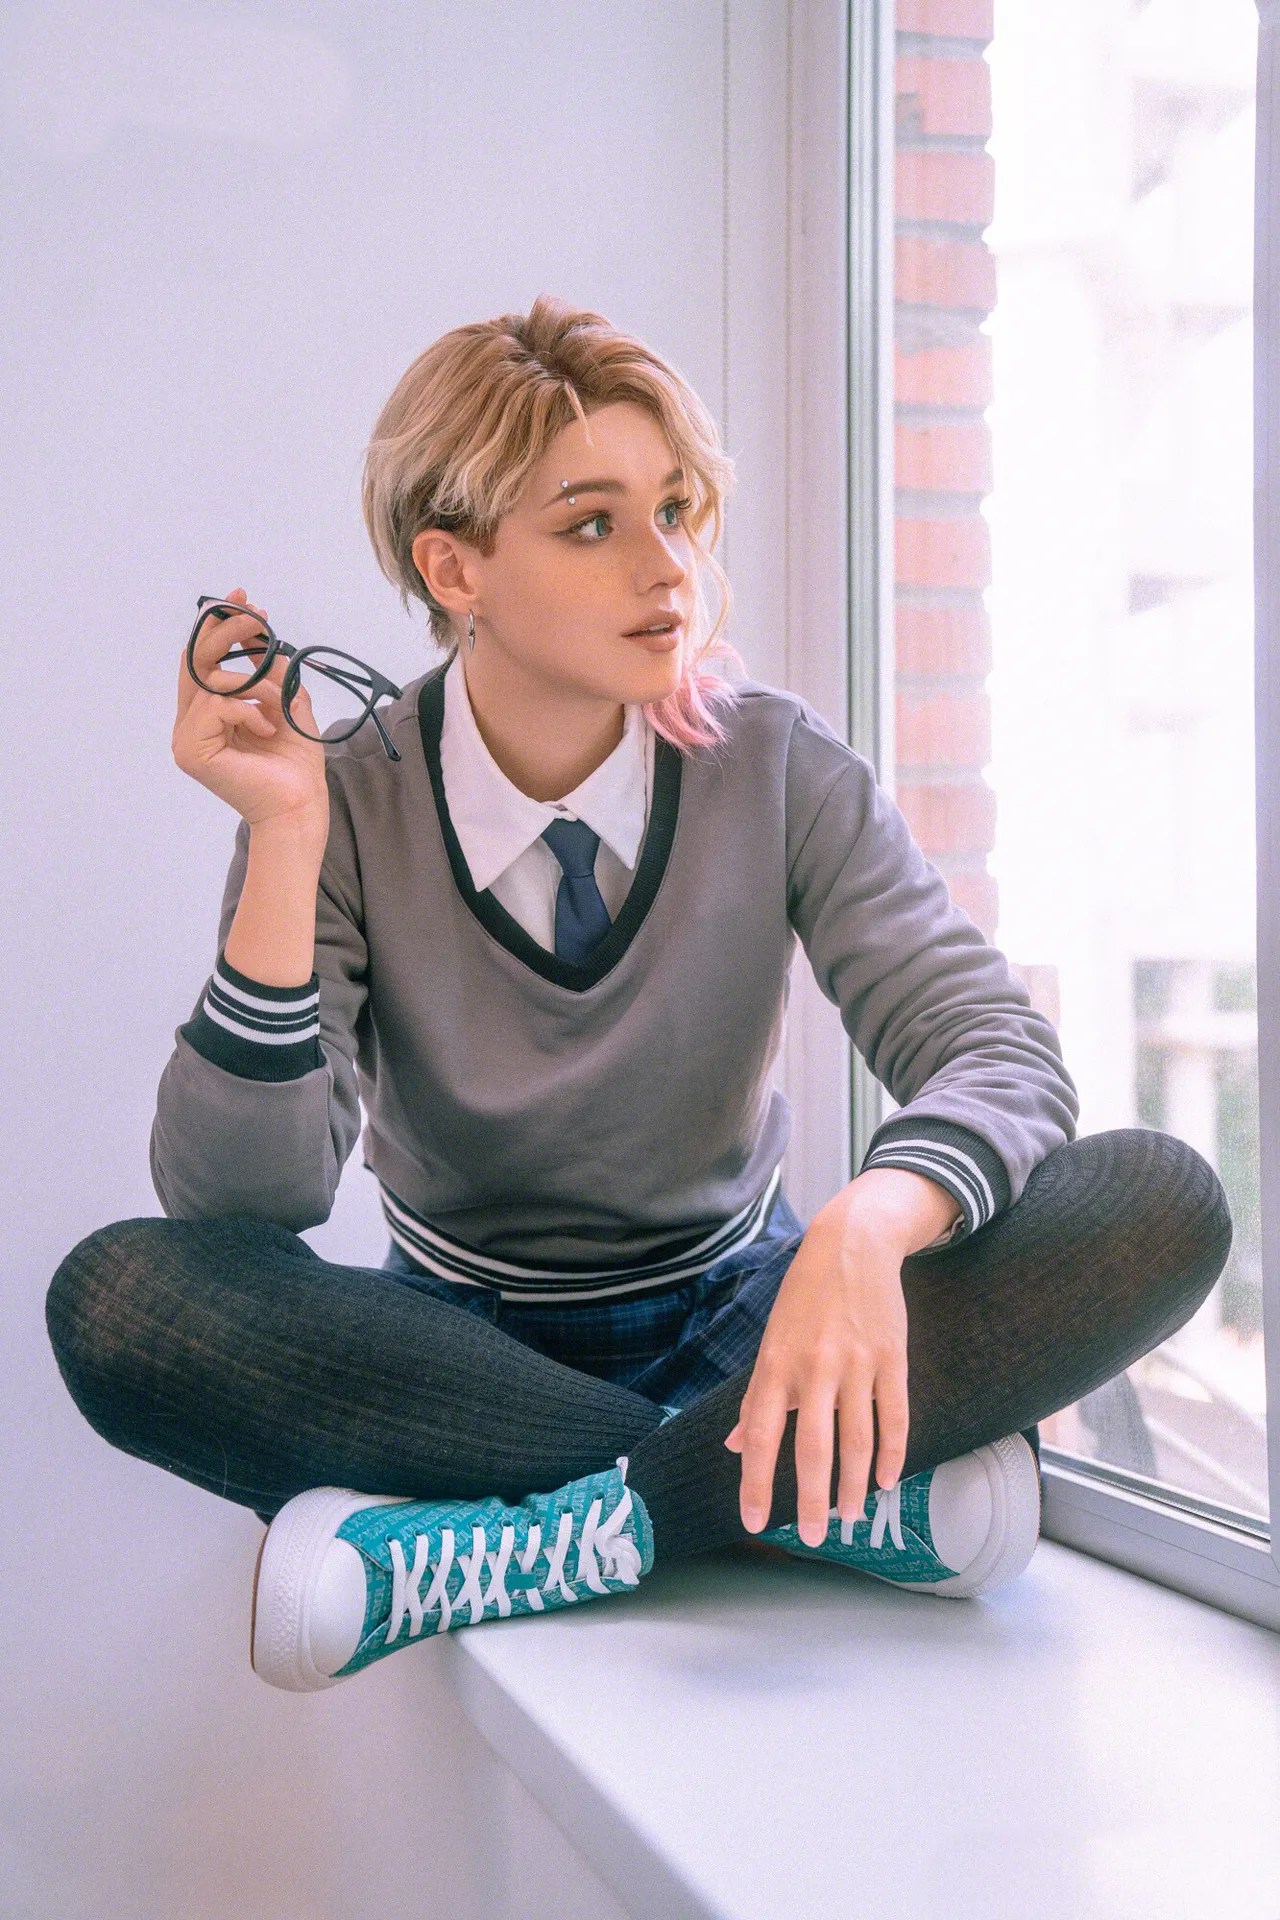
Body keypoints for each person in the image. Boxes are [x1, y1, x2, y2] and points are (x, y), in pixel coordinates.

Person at [46, 295, 1231, 1693]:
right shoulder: (344, 798)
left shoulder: (774, 765)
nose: (667, 567)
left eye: (674, 510)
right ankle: (802, 1501)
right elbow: (245, 1205)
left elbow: (995, 1047)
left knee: (1161, 1199)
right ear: (455, 567)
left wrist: (867, 1225)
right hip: (459, 1361)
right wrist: (287, 833)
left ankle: (551, 1533)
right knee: (121, 1302)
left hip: (751, 1321)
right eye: (593, 524)